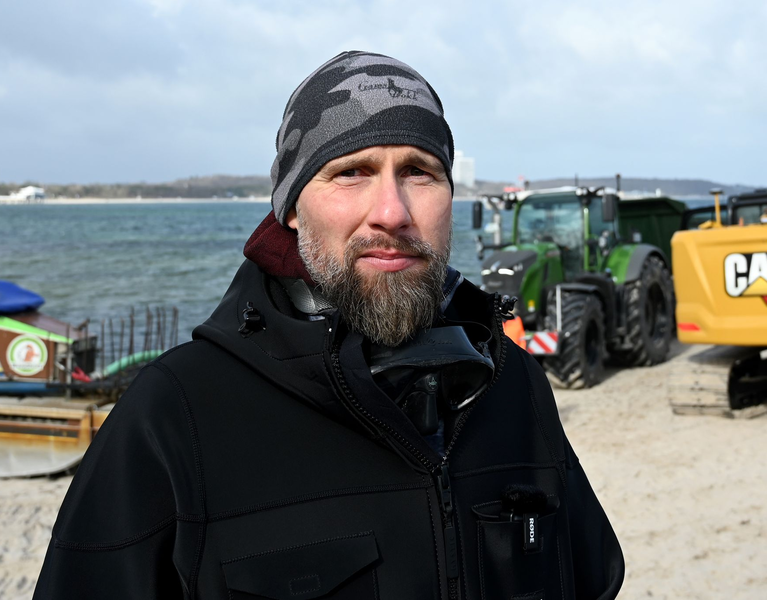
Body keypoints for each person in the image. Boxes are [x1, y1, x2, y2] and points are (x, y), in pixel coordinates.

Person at [34, 51, 624, 600]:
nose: (391, 212)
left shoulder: (510, 383)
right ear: (290, 209)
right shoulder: (174, 416)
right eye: (351, 172)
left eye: (419, 171)